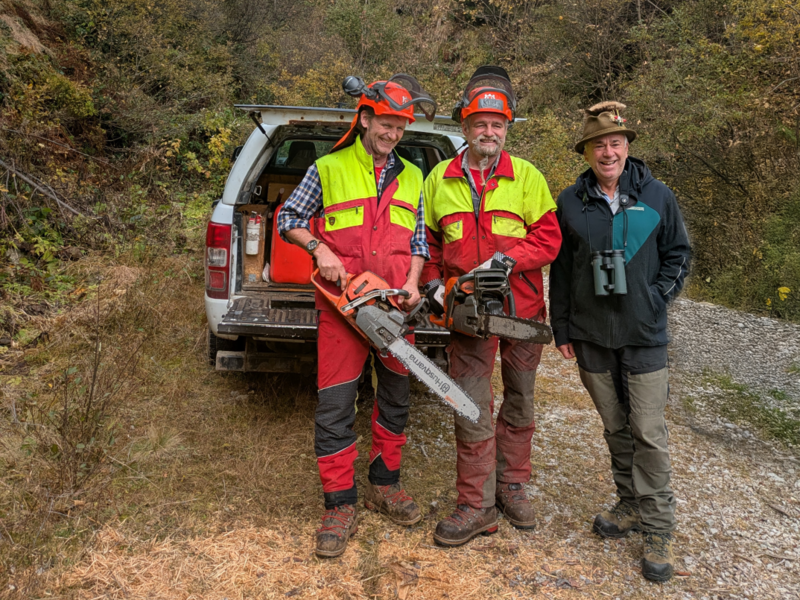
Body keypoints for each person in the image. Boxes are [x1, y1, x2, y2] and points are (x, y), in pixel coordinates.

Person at [278, 75, 436, 558]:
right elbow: (289, 220)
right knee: (335, 406)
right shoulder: (327, 167)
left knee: (395, 401)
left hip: (393, 307)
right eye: (385, 123)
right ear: (365, 118)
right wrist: (319, 247)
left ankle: (384, 484)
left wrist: (412, 284)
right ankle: (339, 502)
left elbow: (419, 243)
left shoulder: (412, 175)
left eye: (399, 126)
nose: (391, 133)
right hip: (342, 308)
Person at [548, 101, 691, 582]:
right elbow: (563, 270)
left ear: (627, 146)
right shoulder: (571, 201)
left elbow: (679, 254)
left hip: (644, 334)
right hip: (591, 335)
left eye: (615, 143)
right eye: (598, 145)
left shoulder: (657, 196)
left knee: (647, 430)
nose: (607, 152)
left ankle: (658, 527)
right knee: (615, 427)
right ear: (586, 152)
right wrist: (562, 326)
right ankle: (629, 505)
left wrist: (656, 298)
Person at [421, 66, 562, 547]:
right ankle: (475, 504)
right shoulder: (439, 178)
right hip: (466, 315)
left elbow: (549, 238)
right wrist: (434, 285)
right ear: (464, 127)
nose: (488, 132)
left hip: (520, 312)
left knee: (520, 399)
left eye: (497, 124)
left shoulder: (527, 177)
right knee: (469, 403)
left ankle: (512, 486)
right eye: (480, 123)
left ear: (507, 128)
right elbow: (430, 244)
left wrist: (507, 258)